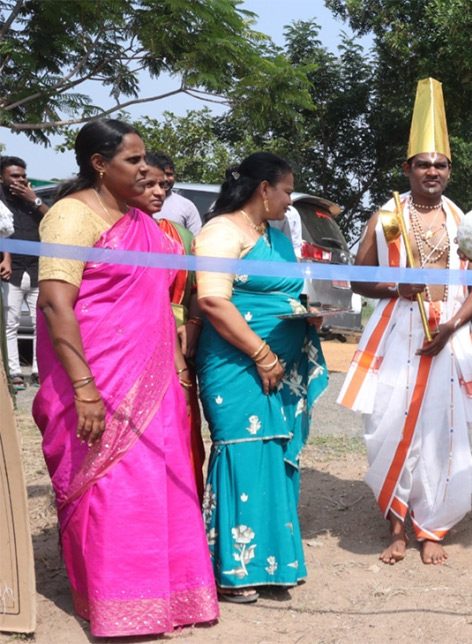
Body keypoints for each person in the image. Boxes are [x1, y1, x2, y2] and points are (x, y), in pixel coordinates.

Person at [33, 118, 218, 636]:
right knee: (111, 488)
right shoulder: (70, 217)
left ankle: (171, 597)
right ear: (99, 164)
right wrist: (84, 389)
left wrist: (178, 364)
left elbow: (160, 298)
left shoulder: (142, 221)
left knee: (158, 483)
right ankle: (118, 604)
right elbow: (54, 302)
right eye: (133, 161)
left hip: (153, 379)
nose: (145, 170)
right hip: (98, 380)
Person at [338, 78, 472, 567]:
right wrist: (395, 288)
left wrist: (452, 326)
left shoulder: (466, 221)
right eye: (423, 164)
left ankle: (434, 526)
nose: (432, 171)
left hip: (449, 337)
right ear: (407, 168)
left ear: (450, 170)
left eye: (441, 164)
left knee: (444, 430)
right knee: (388, 424)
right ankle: (397, 524)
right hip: (395, 336)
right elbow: (357, 280)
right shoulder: (385, 218)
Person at [193, 152, 328, 603]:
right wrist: (262, 353)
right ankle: (233, 569)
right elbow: (213, 301)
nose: (290, 201)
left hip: (280, 367)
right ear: (264, 188)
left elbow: (292, 291)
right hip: (236, 364)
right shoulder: (220, 231)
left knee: (274, 454)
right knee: (243, 453)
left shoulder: (276, 235)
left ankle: (275, 564)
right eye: (287, 191)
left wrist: (308, 316)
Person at [132, 152, 207, 495]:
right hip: (135, 341)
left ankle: (185, 499)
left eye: (164, 184)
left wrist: (192, 323)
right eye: (149, 184)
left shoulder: (181, 235)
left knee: (183, 421)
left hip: (180, 342)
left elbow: (198, 284)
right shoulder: (118, 232)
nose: (159, 191)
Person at [1, 156, 48, 390]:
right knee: (11, 323)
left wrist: (34, 199)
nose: (21, 180)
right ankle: (15, 371)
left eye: (23, 176)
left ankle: (39, 371)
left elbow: (52, 220)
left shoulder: (32, 201)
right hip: (11, 272)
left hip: (38, 269)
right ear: (2, 178)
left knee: (42, 323)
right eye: (15, 176)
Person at [154, 153, 203, 235]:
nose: (165, 179)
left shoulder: (187, 206)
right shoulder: (138, 204)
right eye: (161, 174)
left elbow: (195, 240)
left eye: (169, 174)